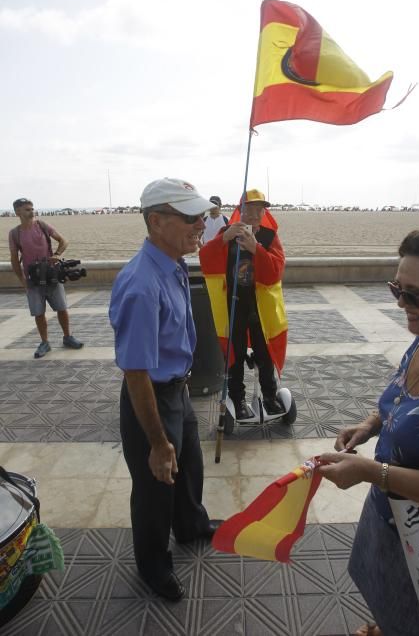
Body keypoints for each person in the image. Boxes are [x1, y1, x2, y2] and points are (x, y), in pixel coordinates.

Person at [316, 222, 419, 636]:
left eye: (414, 295)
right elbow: (404, 396)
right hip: (388, 517)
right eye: (395, 289)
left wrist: (369, 472)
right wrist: (368, 425)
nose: (402, 303)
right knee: (387, 602)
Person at [109, 177, 222, 602]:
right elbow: (135, 373)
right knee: (157, 486)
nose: (200, 224)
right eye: (189, 217)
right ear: (156, 221)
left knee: (189, 465)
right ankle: (154, 565)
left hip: (177, 390)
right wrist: (156, 442)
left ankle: (191, 525)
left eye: (201, 216)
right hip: (151, 399)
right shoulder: (141, 285)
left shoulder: (172, 263)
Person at [199, 189, 287, 420]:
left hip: (260, 308)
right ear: (241, 210)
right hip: (234, 305)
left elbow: (275, 271)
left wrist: (255, 248)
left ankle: (269, 396)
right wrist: (224, 239)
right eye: (250, 209)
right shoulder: (227, 233)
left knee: (264, 352)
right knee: (235, 353)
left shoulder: (269, 237)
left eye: (260, 209)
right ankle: (237, 398)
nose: (255, 214)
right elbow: (205, 258)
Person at [8, 197, 83, 359]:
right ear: (17, 212)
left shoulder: (42, 226)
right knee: (38, 313)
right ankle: (45, 342)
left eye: (32, 208)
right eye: (27, 209)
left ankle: (68, 337)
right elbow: (14, 259)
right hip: (33, 279)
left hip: (52, 275)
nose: (31, 211)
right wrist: (22, 280)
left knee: (62, 308)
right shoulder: (14, 234)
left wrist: (57, 254)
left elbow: (63, 241)